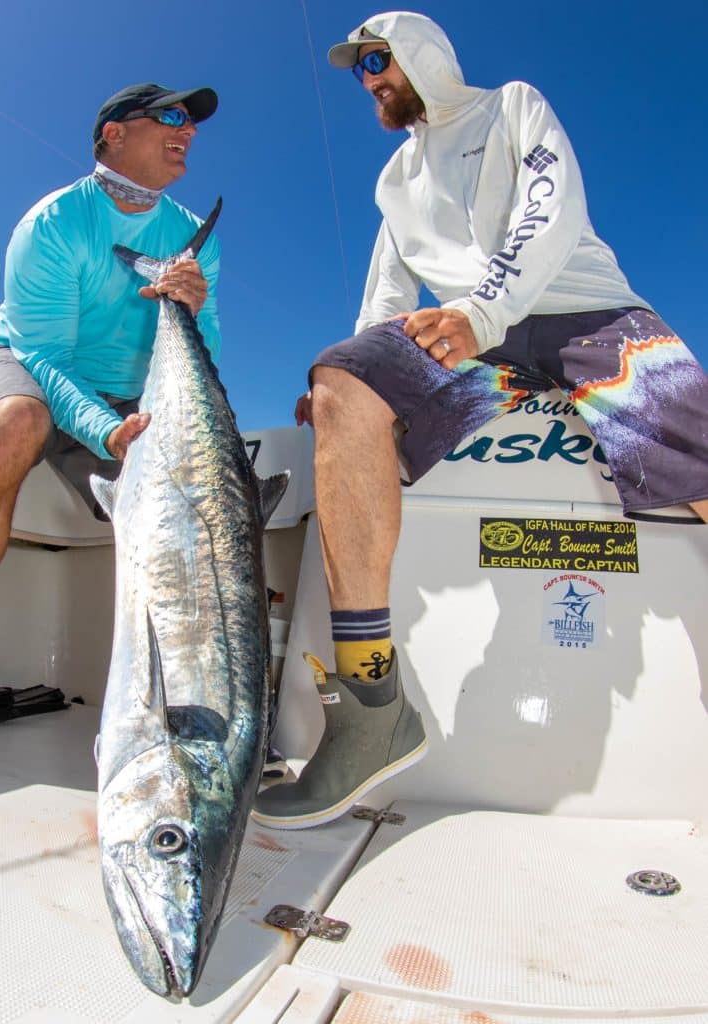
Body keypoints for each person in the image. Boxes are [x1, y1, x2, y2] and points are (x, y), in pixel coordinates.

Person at [252, 10, 708, 831]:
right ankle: (371, 709)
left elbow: (551, 207)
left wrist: (486, 311)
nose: (370, 81)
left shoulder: (512, 107)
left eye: (379, 60)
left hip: (587, 314)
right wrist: (353, 390)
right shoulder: (393, 181)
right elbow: (386, 303)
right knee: (338, 382)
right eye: (359, 69)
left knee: (698, 439)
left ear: (424, 55)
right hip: (471, 340)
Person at [0, 81, 221, 801]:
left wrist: (191, 307)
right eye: (171, 117)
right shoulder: (55, 221)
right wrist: (109, 432)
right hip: (29, 365)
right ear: (113, 134)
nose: (188, 132)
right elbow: (45, 359)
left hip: (134, 395)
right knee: (18, 420)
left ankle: (202, 712)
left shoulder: (188, 232)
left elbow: (201, 351)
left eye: (193, 122)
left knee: (214, 484)